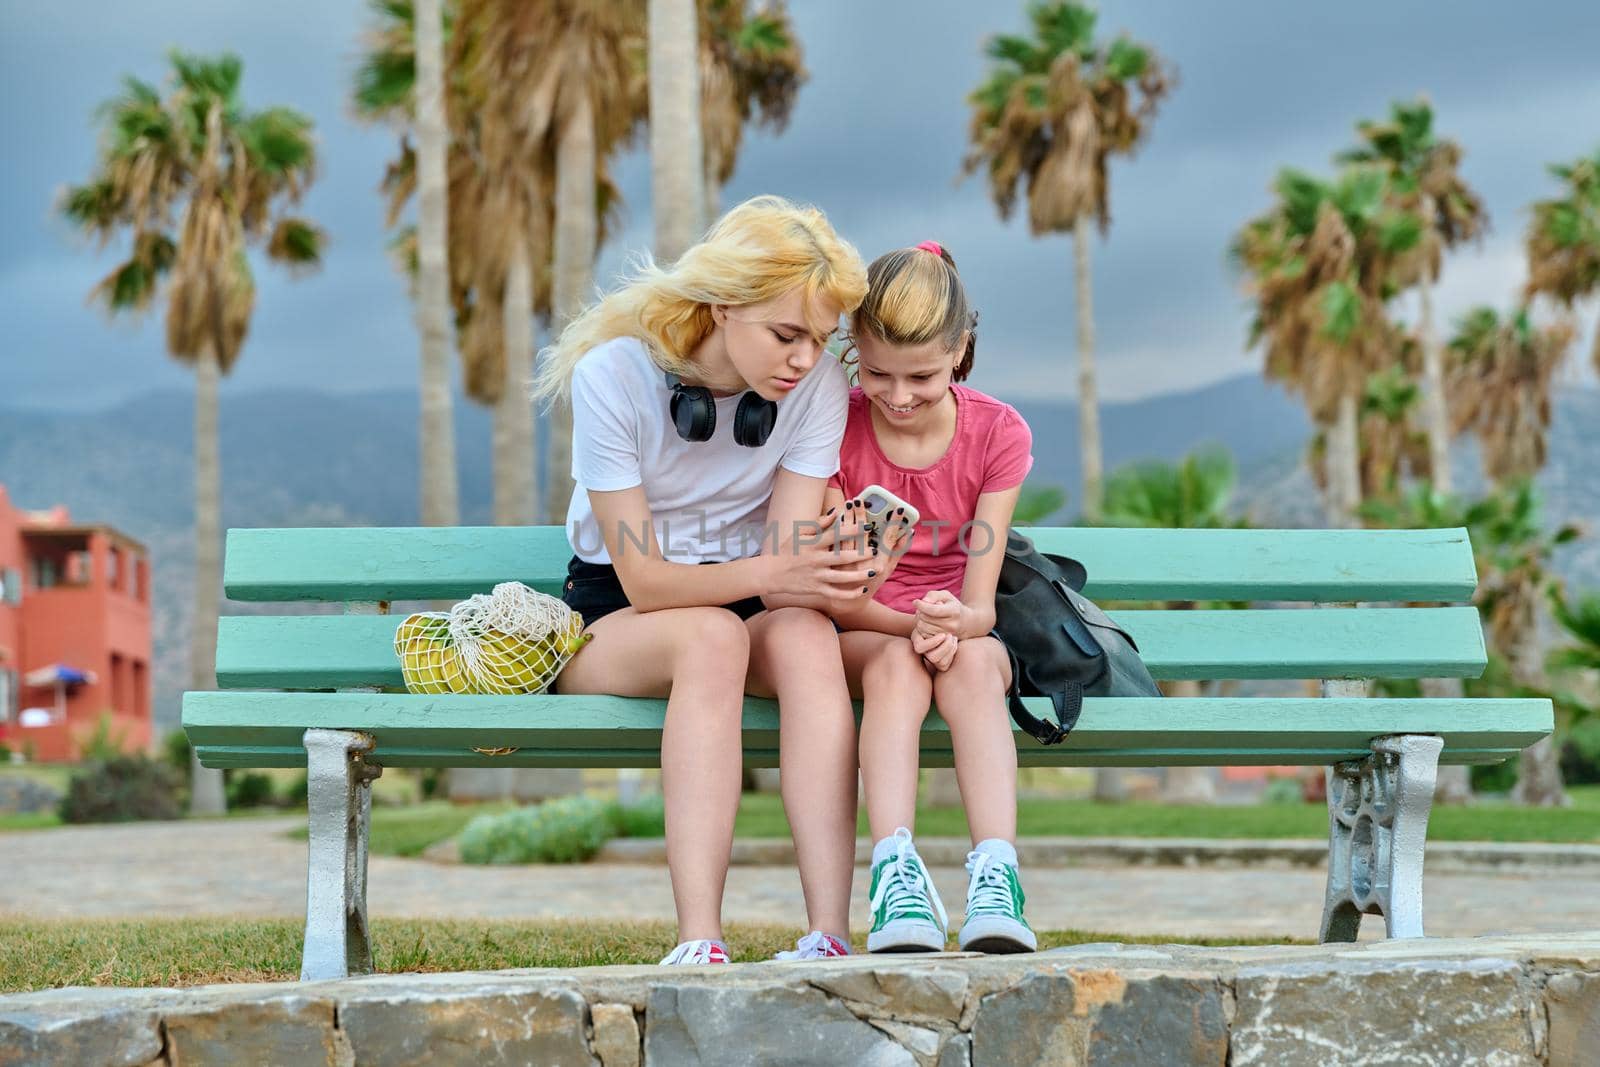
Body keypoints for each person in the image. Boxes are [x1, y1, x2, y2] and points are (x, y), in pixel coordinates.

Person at [533, 196, 871, 965]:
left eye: (819, 340)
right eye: (786, 334)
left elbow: (789, 560)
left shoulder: (814, 389)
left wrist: (839, 566)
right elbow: (646, 580)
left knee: (806, 636)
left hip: (749, 594)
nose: (803, 358)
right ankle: (699, 938)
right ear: (724, 304)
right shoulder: (613, 376)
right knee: (713, 636)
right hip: (616, 614)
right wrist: (783, 567)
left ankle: (828, 932)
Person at [823, 241, 1037, 954]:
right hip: (869, 624)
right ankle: (895, 873)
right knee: (893, 666)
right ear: (854, 348)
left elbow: (983, 601)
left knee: (976, 666)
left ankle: (996, 873)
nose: (900, 394)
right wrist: (911, 626)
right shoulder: (835, 426)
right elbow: (842, 596)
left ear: (961, 350)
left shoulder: (996, 433)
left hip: (957, 630)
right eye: (878, 372)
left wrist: (958, 622)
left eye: (923, 374)